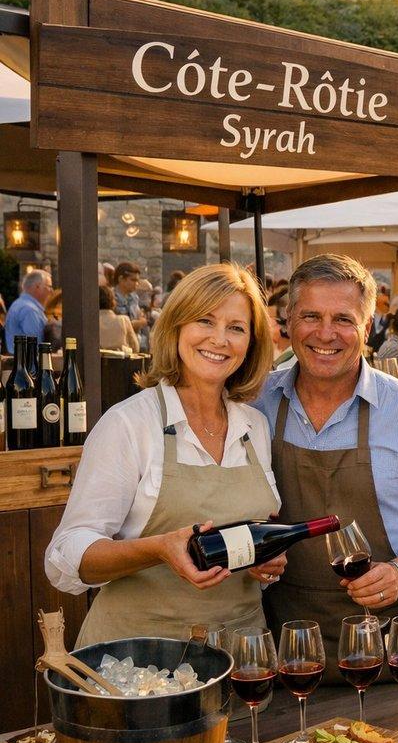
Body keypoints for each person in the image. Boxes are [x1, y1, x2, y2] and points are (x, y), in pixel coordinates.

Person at [254, 254, 398, 675]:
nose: (325, 333)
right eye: (310, 316)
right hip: (283, 648)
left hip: (391, 650)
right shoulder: (256, 403)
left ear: (367, 326)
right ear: (288, 321)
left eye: (343, 319)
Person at [45, 264, 285, 647]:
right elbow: (66, 556)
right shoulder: (129, 423)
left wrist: (264, 563)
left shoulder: (255, 426)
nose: (220, 339)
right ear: (176, 327)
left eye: (236, 328)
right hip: (138, 660)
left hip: (243, 658)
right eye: (204, 320)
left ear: (252, 343)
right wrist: (157, 549)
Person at [6, 269, 52, 354]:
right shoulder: (30, 310)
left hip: (18, 359)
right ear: (37, 287)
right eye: (49, 286)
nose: (51, 291)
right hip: (27, 361)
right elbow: (35, 348)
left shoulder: (18, 304)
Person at [98, 283, 140, 353]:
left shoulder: (90, 323)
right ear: (113, 301)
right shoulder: (124, 320)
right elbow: (135, 347)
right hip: (121, 358)